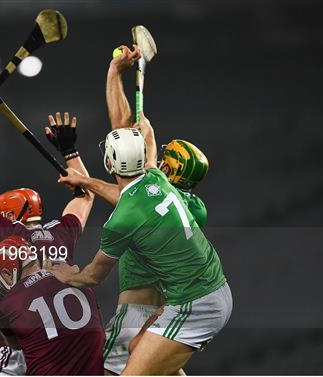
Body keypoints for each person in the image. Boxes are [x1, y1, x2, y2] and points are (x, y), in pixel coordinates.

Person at [49, 113, 232, 375]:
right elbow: (147, 158)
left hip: (196, 304)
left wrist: (68, 276)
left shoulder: (121, 221)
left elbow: (94, 275)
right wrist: (146, 126)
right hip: (210, 290)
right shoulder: (157, 179)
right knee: (138, 347)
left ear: (110, 164)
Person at [78, 44, 210, 375]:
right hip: (167, 309)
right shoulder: (189, 205)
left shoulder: (148, 197)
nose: (157, 161)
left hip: (139, 309)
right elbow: (126, 131)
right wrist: (115, 76)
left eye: (165, 161)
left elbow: (121, 132)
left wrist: (114, 72)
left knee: (107, 369)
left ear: (172, 172)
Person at [0, 109, 97, 375]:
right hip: (68, 347)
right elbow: (86, 194)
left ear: (9, 214)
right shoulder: (62, 234)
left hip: (26, 348)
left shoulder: (9, 235)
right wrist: (70, 151)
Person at [0, 236, 105, 375]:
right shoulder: (79, 282)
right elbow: (100, 335)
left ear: (7, 274)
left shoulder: (9, 304)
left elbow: (13, 349)